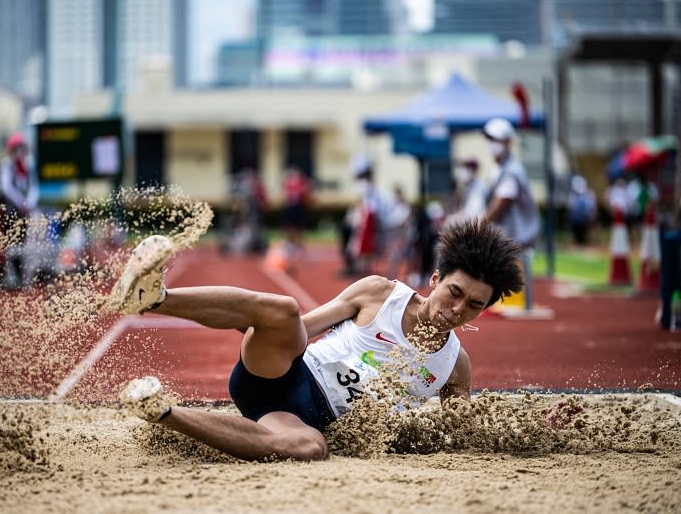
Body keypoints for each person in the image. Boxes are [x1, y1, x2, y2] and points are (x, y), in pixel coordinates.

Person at [110, 219, 524, 462]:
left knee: (312, 449)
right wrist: (259, 327)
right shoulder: (380, 292)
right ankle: (155, 298)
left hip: (302, 421)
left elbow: (463, 434)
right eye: (454, 293)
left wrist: (532, 434)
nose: (457, 310)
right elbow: (300, 333)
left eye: (474, 306)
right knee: (286, 312)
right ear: (435, 280)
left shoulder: (455, 366)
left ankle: (161, 411)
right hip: (282, 375)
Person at [483, 118, 540, 309]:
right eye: (489, 139)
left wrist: (478, 226)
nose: (492, 145)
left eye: (496, 140)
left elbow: (501, 203)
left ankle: (511, 302)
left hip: (518, 235)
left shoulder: (512, 171)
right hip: (508, 235)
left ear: (508, 142)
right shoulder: (500, 169)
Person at [0, 132, 39, 288]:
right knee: (1, 245)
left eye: (23, 149)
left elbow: (34, 188)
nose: (20, 152)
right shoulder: (7, 165)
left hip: (21, 214)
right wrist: (20, 202)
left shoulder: (28, 166)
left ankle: (19, 278)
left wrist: (29, 204)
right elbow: (6, 187)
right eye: (17, 149)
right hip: (7, 213)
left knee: (19, 245)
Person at [567, 174, 597, 246]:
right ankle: (579, 241)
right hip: (576, 220)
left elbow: (591, 207)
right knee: (578, 236)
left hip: (585, 218)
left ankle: (586, 241)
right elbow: (571, 207)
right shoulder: (572, 195)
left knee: (584, 236)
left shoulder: (588, 193)